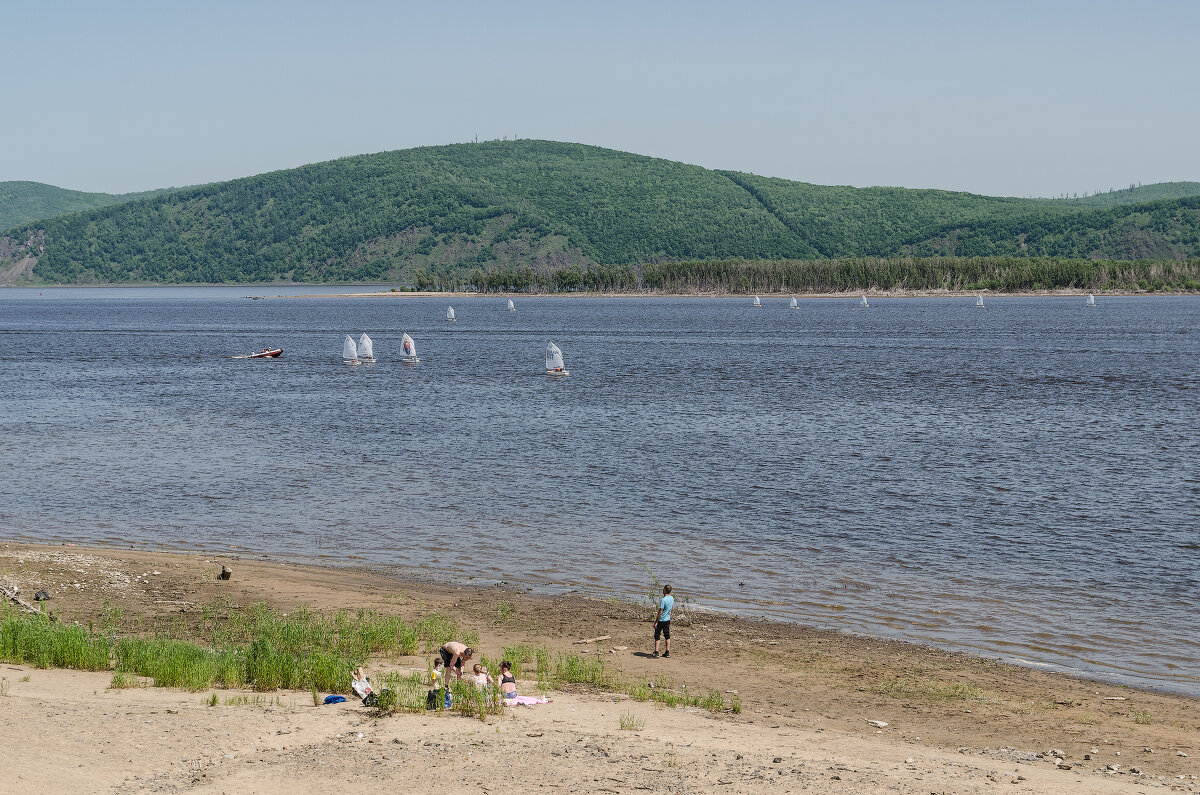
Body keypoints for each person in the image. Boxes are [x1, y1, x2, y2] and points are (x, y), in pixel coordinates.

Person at [653, 585, 674, 658]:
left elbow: (660, 611)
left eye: (663, 589)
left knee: (657, 635)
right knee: (667, 635)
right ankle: (667, 652)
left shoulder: (663, 600)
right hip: (667, 619)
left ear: (665, 590)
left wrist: (656, 622)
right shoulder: (672, 598)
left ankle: (656, 652)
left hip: (661, 620)